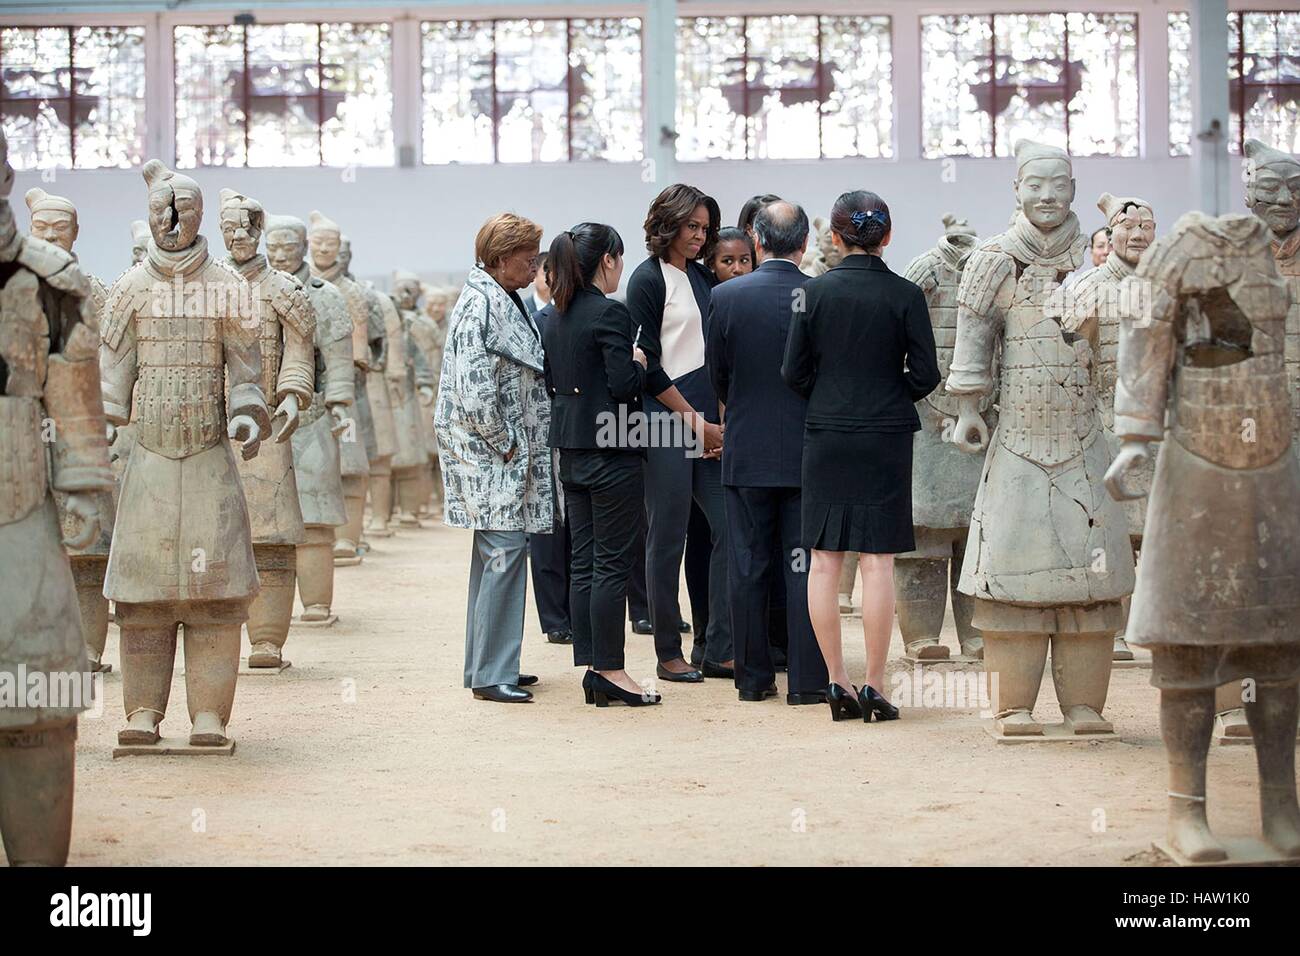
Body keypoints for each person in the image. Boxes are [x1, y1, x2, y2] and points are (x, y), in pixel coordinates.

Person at [782, 191, 941, 722]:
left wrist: (830, 395)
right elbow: (925, 374)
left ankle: (835, 681)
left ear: (834, 236)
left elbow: (792, 372)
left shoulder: (811, 293)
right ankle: (875, 684)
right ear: (888, 236)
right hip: (885, 435)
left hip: (826, 433)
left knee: (824, 560)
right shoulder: (906, 294)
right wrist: (886, 393)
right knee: (878, 562)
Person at [708, 200, 828, 704]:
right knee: (805, 566)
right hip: (808, 450)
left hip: (748, 448)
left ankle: (753, 679)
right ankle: (807, 682)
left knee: (747, 563)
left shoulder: (727, 295)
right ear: (804, 244)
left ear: (757, 240)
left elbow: (719, 373)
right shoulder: (820, 294)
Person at [434, 213, 553, 703]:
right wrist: (504, 442)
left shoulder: (504, 297)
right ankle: (490, 674)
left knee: (496, 559)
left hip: (500, 455)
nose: (533, 270)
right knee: (503, 557)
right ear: (501, 260)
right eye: (527, 262)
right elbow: (472, 387)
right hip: (490, 455)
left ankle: (490, 662)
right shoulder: (478, 305)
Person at [543, 223, 661, 708]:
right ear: (607, 260)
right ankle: (611, 669)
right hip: (612, 452)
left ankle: (595, 666)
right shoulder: (611, 313)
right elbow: (622, 385)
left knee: (584, 561)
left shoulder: (552, 316)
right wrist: (637, 361)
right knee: (613, 563)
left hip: (571, 450)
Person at [627, 183, 732, 683]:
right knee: (667, 538)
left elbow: (719, 356)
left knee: (729, 531)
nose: (699, 236)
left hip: (709, 421)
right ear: (668, 224)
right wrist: (699, 424)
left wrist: (722, 421)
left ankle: (717, 646)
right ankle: (668, 652)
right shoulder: (646, 281)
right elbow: (646, 369)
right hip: (665, 420)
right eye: (692, 226)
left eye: (705, 229)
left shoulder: (705, 278)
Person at [527, 256, 573, 645]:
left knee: (575, 529)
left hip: (572, 433)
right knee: (545, 532)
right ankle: (554, 618)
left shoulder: (577, 317)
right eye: (547, 272)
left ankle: (574, 611)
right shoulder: (529, 320)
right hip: (540, 439)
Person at [522, 251, 551, 315]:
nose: (551, 278)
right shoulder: (523, 309)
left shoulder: (566, 307)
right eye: (546, 273)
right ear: (534, 275)